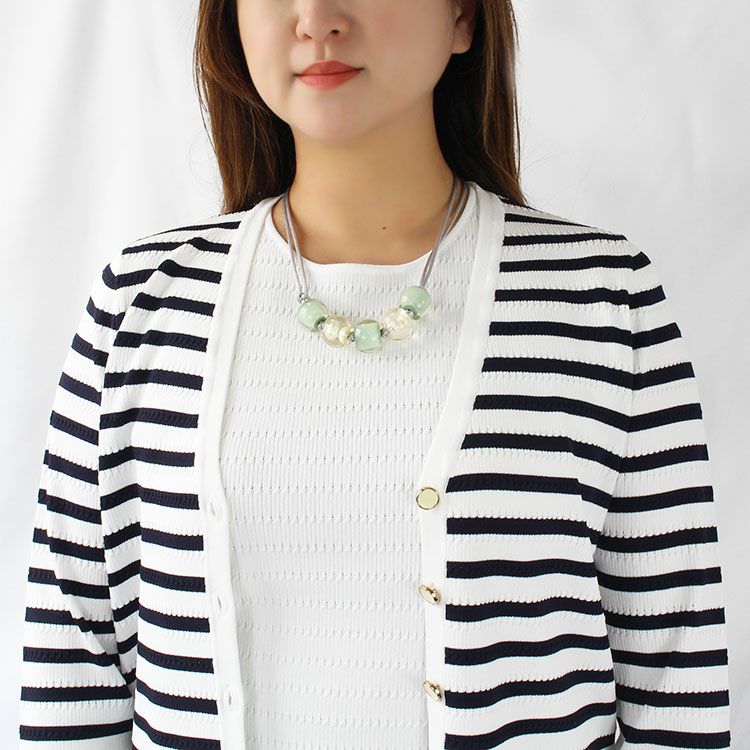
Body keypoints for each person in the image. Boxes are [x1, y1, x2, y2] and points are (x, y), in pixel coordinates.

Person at [19, 1, 731, 748]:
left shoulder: (598, 298)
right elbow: (75, 653)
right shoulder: (146, 302)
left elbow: (674, 665)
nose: (316, 18)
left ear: (463, 19)